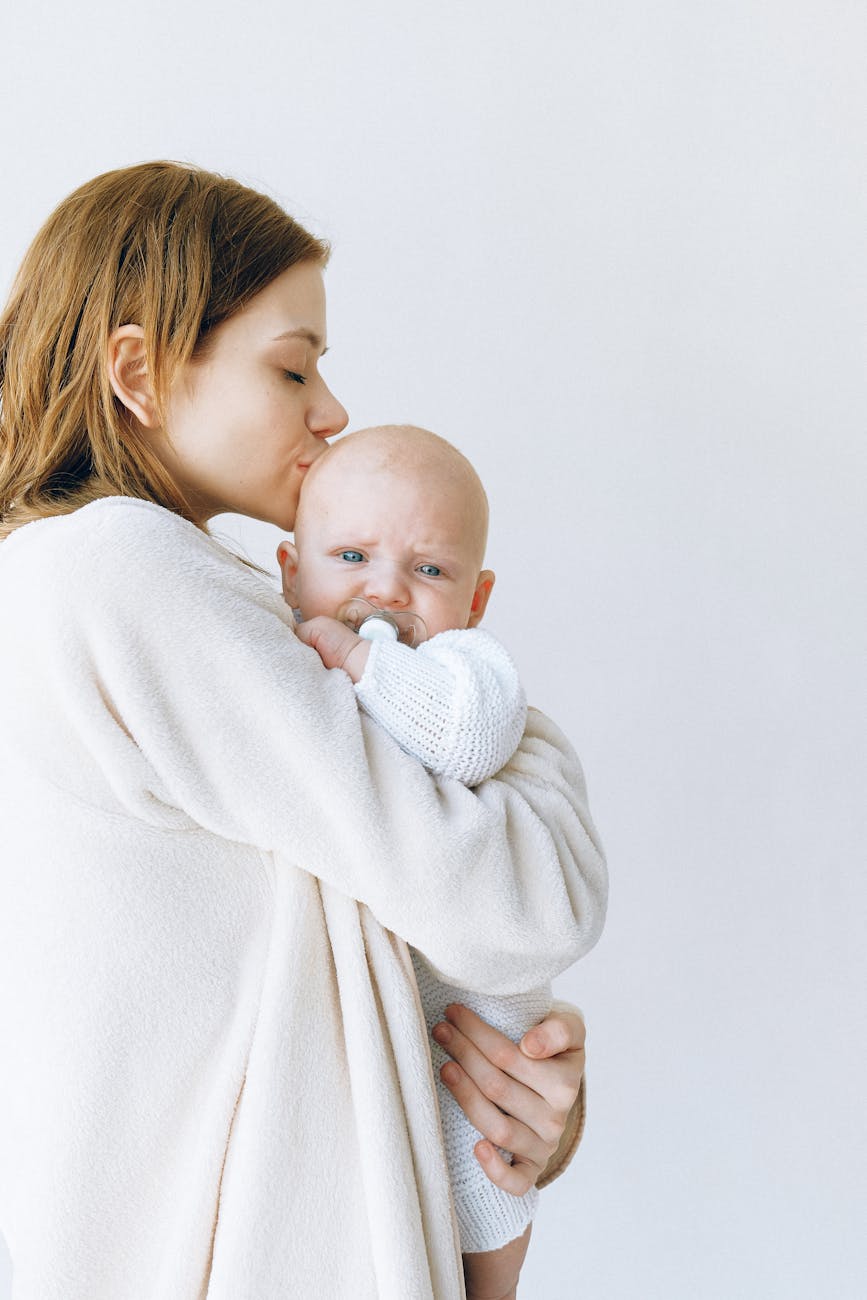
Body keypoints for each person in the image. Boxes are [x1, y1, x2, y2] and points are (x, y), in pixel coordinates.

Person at [0, 161, 607, 1300]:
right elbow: (530, 905)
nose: (331, 411)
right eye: (292, 365)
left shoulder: (91, 593)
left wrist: (510, 1103)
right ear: (135, 369)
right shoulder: (119, 573)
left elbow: (381, 923)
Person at [276, 423, 587, 1265]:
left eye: (430, 571)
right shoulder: (267, 659)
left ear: (476, 601)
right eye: (349, 557)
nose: (387, 593)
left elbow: (465, 740)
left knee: (487, 1198)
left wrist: (362, 663)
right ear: (287, 570)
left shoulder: (468, 672)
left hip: (475, 1030)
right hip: (381, 1064)